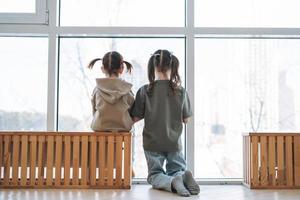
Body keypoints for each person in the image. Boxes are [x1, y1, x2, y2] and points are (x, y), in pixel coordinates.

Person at [130, 49, 200, 196]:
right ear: (173, 67)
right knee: (177, 169)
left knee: (154, 175)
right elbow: (186, 119)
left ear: (152, 67)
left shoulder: (145, 91)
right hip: (173, 142)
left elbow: (134, 118)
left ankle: (171, 182)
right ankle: (181, 176)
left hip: (152, 143)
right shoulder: (180, 91)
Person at [88, 51, 134, 132]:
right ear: (122, 68)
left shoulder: (97, 89)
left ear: (102, 69)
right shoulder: (127, 90)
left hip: (99, 129)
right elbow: (132, 110)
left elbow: (94, 110)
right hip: (123, 129)